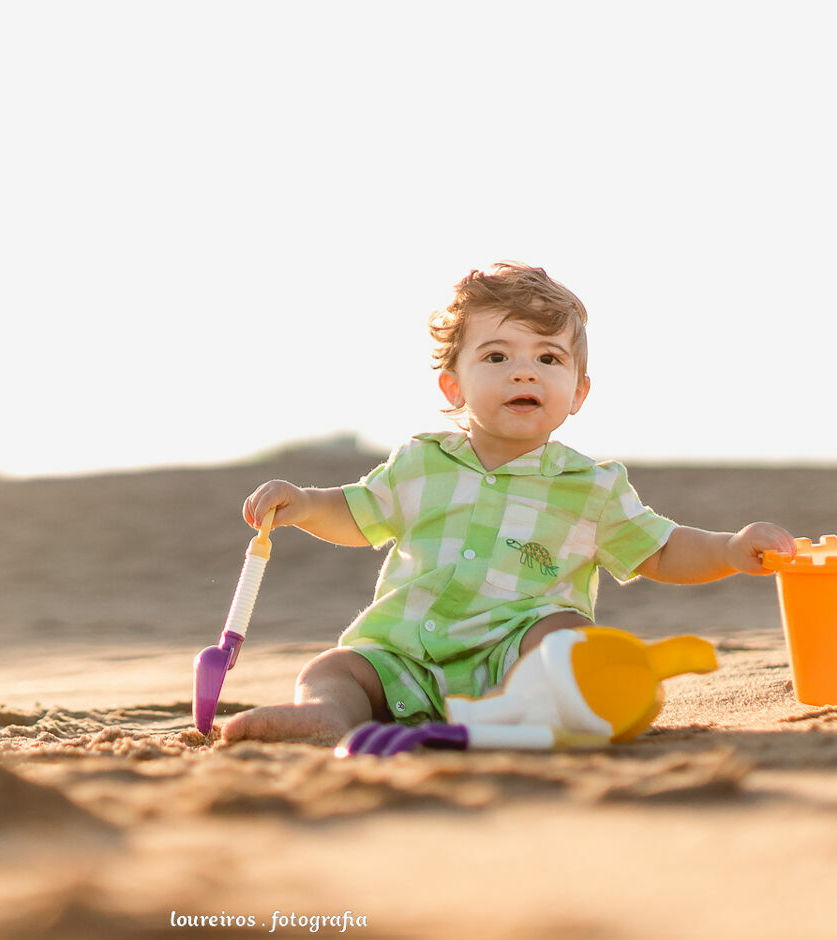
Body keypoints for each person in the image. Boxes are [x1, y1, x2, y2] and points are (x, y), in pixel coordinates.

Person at [224, 261, 796, 745]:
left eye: (548, 359)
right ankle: (330, 717)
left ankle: (510, 715)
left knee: (562, 634)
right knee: (336, 667)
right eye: (497, 357)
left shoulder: (591, 486)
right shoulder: (421, 463)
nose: (524, 369)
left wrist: (728, 548)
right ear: (454, 386)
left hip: (515, 664)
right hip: (407, 657)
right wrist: (303, 503)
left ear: (577, 392)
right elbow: (356, 513)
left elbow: (662, 550)